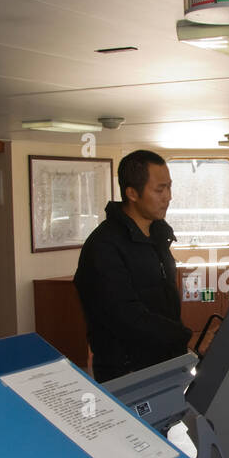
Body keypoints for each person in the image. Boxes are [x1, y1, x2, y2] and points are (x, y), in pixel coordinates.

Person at [74, 150, 191, 382]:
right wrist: (187, 338)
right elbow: (126, 316)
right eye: (159, 189)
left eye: (169, 187)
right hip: (127, 372)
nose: (168, 197)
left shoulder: (158, 237)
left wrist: (180, 345)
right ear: (132, 193)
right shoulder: (104, 246)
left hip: (168, 363)